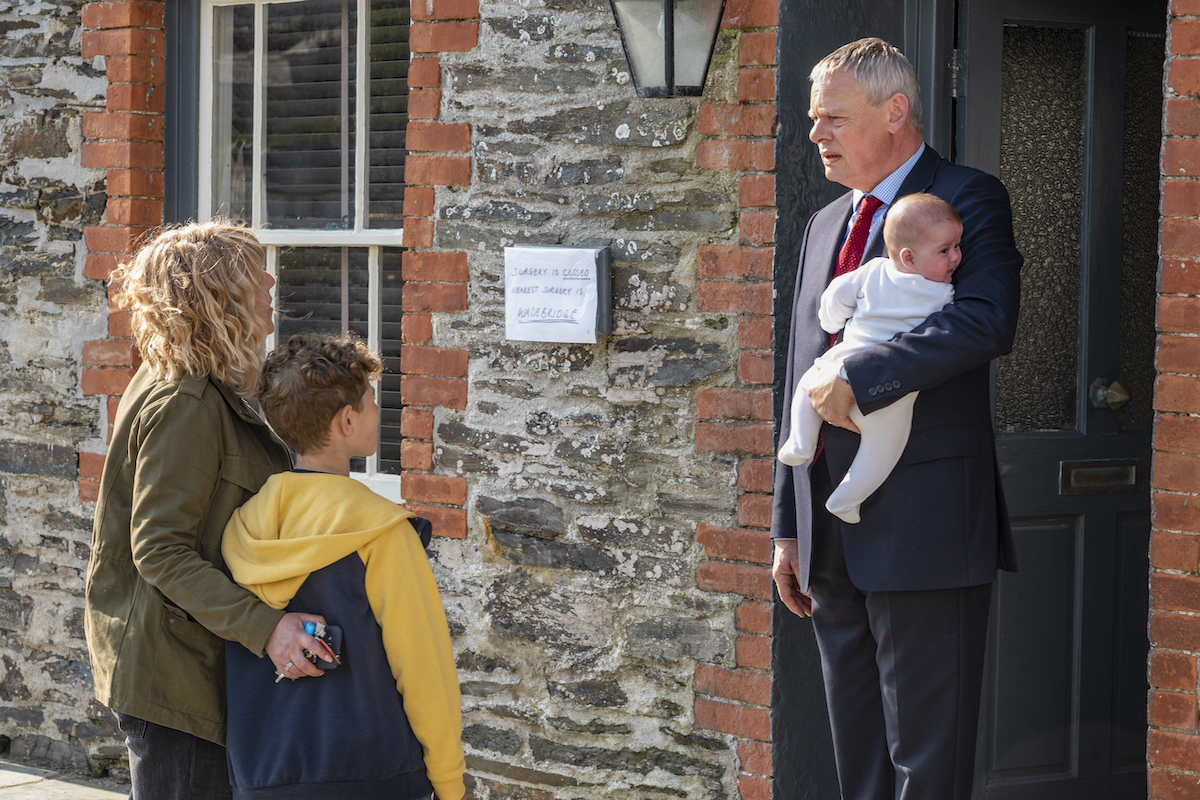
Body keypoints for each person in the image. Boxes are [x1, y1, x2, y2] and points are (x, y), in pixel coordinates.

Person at [770, 39, 1021, 799]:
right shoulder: (825, 224)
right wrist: (787, 523)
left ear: (896, 112)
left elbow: (985, 320)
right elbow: (796, 370)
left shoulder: (968, 199)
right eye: (815, 121)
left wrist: (859, 383)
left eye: (833, 119)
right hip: (827, 534)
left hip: (926, 526)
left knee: (926, 767)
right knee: (861, 764)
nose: (816, 135)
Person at [85, 222, 336, 800]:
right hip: (175, 678)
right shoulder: (186, 400)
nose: (271, 281)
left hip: (192, 665)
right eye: (255, 273)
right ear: (219, 293)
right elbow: (160, 550)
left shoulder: (205, 383)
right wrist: (267, 628)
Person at [222, 332, 466, 800]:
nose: (380, 412)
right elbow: (423, 671)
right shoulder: (383, 532)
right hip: (376, 777)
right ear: (348, 420)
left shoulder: (242, 530)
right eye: (373, 402)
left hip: (262, 775)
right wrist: (451, 786)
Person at [777, 193, 961, 524]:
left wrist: (832, 321)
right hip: (890, 394)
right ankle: (845, 496)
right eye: (945, 251)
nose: (956, 257)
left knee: (808, 384)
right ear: (908, 257)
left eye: (956, 247)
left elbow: (835, 296)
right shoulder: (944, 293)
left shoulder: (873, 270)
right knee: (883, 447)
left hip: (855, 358)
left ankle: (801, 441)